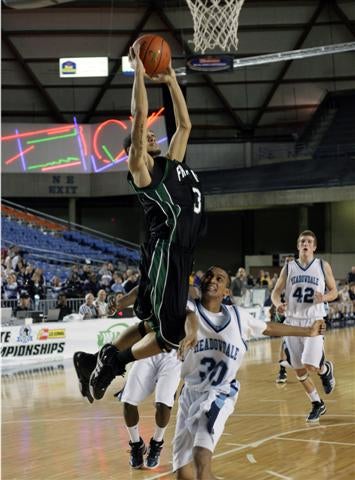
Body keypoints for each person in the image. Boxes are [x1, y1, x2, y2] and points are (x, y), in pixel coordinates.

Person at [74, 41, 205, 402]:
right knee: (169, 335)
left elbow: (185, 124)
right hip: (167, 250)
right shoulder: (142, 170)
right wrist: (139, 74)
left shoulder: (171, 165)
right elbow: (139, 115)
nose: (152, 133)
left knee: (151, 322)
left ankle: (93, 362)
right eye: (145, 136)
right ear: (134, 148)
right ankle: (112, 362)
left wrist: (172, 79)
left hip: (177, 252)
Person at [173, 266, 326, 480]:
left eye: (220, 278)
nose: (212, 280)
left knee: (201, 456)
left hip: (220, 393)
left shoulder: (238, 316)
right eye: (209, 275)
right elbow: (179, 305)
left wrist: (308, 331)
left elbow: (270, 328)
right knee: (182, 472)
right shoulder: (188, 310)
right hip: (189, 393)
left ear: (227, 291)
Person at [271, 230, 338, 423]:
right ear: (298, 246)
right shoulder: (289, 267)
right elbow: (276, 293)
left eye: (309, 241)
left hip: (314, 320)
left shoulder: (322, 265)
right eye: (302, 241)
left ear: (314, 247)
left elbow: (334, 291)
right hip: (292, 321)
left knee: (311, 365)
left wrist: (323, 297)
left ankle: (325, 370)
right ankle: (317, 403)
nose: (305, 244)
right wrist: (278, 305)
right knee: (299, 369)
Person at [116, 349, 181, 470]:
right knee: (128, 401)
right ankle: (136, 444)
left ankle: (157, 443)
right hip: (147, 352)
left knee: (163, 404)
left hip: (173, 356)